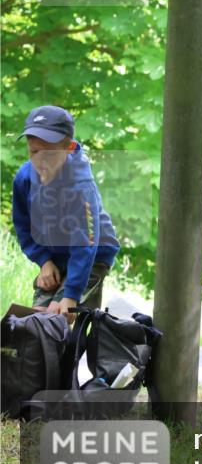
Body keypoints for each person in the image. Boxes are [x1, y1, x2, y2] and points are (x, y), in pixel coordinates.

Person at [13, 105, 120, 321]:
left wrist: (71, 294)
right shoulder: (24, 178)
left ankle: (73, 346)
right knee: (40, 316)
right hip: (55, 255)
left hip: (93, 254)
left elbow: (86, 243)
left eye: (49, 154)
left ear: (69, 148)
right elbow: (23, 226)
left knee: (62, 313)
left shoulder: (80, 186)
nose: (40, 161)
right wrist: (44, 261)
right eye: (34, 152)